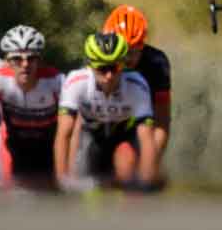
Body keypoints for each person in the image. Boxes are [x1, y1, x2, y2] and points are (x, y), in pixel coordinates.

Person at [55, 31, 161, 190]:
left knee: (132, 177)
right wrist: (62, 179)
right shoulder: (76, 82)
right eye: (102, 69)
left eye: (115, 67)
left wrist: (146, 182)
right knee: (82, 184)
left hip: (124, 134)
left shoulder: (137, 85)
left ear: (123, 64)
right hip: (92, 133)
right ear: (91, 66)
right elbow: (64, 134)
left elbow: (146, 137)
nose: (109, 76)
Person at [0, 25, 64, 191]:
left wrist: (64, 175)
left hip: (48, 145)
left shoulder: (56, 81)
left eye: (31, 58)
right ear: (7, 61)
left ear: (40, 60)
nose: (25, 65)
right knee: (10, 194)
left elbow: (69, 130)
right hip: (13, 145)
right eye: (17, 59)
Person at [102, 4, 172, 159]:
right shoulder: (98, 62)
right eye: (122, 52)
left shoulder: (156, 63)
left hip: (140, 127)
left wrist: (151, 162)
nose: (126, 59)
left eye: (132, 52)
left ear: (142, 47)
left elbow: (162, 122)